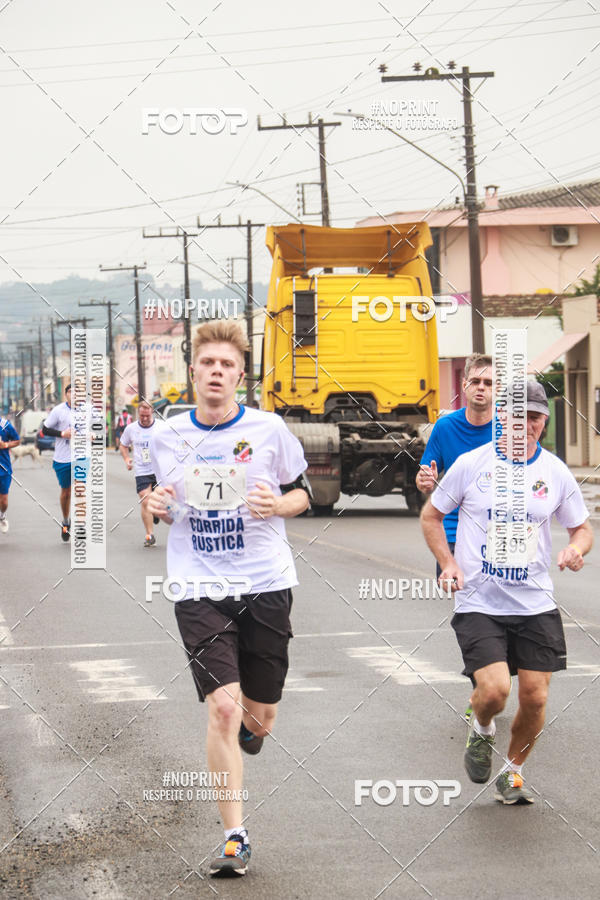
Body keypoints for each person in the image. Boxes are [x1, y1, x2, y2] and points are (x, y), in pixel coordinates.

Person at [147, 320, 309, 877]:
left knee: (259, 718)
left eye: (227, 366)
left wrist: (278, 505)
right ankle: (235, 836)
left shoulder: (269, 429)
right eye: (208, 364)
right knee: (222, 708)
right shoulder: (166, 434)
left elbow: (303, 494)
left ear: (240, 376)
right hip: (197, 585)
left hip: (264, 582)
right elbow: (153, 495)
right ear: (192, 372)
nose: (217, 373)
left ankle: (254, 731)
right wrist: (159, 503)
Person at [421, 381, 593, 804]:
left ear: (544, 422)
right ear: (503, 417)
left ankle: (513, 771)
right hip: (480, 600)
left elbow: (582, 528)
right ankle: (481, 729)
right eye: (519, 416)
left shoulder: (553, 471)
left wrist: (575, 548)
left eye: (536, 417)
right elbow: (431, 515)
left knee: (535, 696)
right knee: (496, 691)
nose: (527, 425)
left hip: (535, 602)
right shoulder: (471, 464)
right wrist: (448, 563)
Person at [417, 353, 493, 719]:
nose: (481, 388)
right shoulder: (445, 429)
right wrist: (424, 481)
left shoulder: (508, 429)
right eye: (475, 382)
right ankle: (482, 684)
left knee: (502, 607)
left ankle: (492, 673)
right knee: (471, 608)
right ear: (463, 387)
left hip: (497, 533)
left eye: (489, 383)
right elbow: (426, 474)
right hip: (453, 534)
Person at [119, 400, 159, 547]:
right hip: (142, 470)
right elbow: (123, 445)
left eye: (147, 416)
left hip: (159, 470)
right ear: (138, 414)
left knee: (160, 501)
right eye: (141, 416)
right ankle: (150, 535)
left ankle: (155, 512)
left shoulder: (161, 427)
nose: (144, 418)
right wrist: (127, 458)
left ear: (152, 413)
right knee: (145, 499)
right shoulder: (131, 429)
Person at [42, 384, 73, 541]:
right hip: (62, 458)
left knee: (80, 490)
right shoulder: (58, 410)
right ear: (66, 395)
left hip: (81, 457)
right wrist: (62, 433)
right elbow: (45, 429)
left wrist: (93, 435)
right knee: (66, 491)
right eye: (70, 392)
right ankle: (66, 521)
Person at [0, 415, 21, 533]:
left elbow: (17, 440)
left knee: (3, 501)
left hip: (3, 468)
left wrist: (5, 445)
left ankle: (2, 516)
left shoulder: (4, 424)